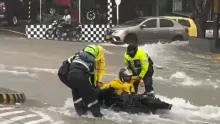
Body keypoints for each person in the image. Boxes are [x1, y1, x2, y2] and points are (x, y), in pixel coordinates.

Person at [58, 45, 103, 118]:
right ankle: (98, 116)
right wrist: (93, 88)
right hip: (80, 77)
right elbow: (92, 76)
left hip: (68, 76)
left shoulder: (77, 55)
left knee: (77, 92)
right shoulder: (92, 60)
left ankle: (80, 113)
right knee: (91, 96)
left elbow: (65, 63)